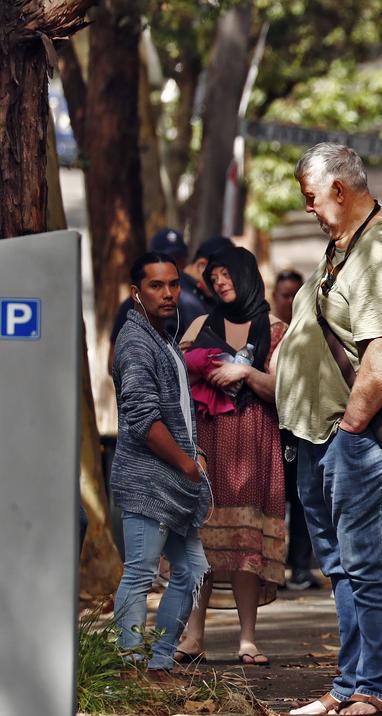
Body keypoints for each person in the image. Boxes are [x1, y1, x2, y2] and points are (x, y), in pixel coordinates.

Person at [276, 143, 382, 716]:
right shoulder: (345, 244)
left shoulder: (380, 249)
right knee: (344, 566)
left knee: (372, 564)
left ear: (339, 189)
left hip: (358, 437)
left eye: (311, 197)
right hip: (322, 435)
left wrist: (350, 427)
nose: (309, 208)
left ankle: (375, 690)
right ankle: (351, 683)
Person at [174, 247, 287, 666]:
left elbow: (282, 391)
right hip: (207, 440)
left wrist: (246, 372)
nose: (219, 282)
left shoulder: (277, 330)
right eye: (214, 276)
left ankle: (247, 639)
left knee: (246, 543)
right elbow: (176, 377)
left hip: (254, 441)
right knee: (201, 538)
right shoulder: (202, 324)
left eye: (226, 274)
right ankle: (194, 635)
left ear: (246, 275)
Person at [110, 253, 211, 677]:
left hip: (176, 483)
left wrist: (196, 454)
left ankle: (160, 662)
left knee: (191, 571)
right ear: (137, 293)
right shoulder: (135, 342)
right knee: (140, 573)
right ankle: (131, 667)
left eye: (173, 284)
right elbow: (142, 419)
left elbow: (181, 411)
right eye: (156, 285)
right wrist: (187, 465)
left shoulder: (163, 336)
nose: (169, 293)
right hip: (146, 482)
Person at [271, 269, 320, 592]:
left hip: (303, 428)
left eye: (294, 294)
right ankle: (274, 568)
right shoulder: (269, 331)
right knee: (275, 502)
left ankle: (301, 566)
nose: (289, 300)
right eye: (284, 294)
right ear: (275, 297)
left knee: (302, 500)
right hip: (272, 429)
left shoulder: (310, 331)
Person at [109, 230, 208, 354]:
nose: (167, 294)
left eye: (178, 258)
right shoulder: (132, 310)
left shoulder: (195, 300)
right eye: (156, 286)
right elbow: (112, 359)